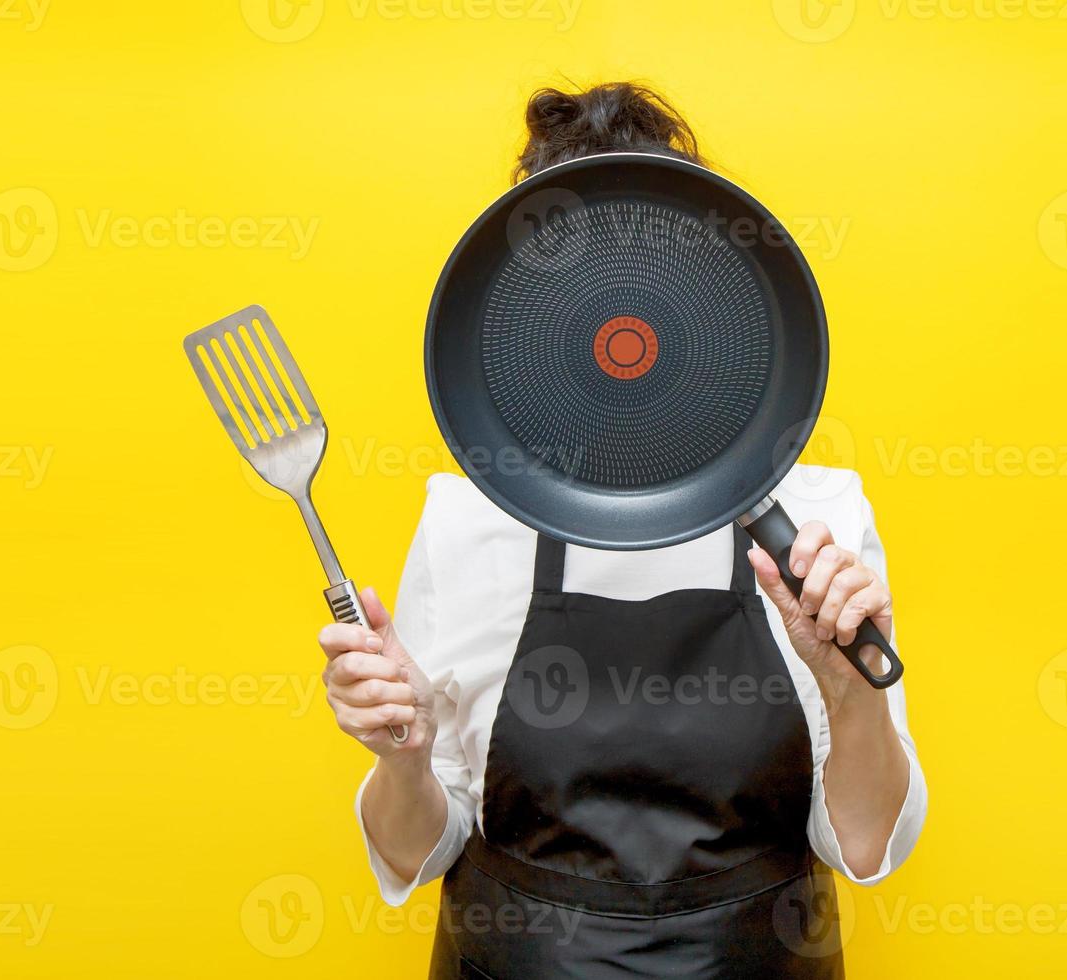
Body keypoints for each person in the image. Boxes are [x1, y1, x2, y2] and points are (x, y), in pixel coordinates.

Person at [317, 81, 926, 979]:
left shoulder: (818, 522)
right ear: (522, 312)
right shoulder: (464, 519)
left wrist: (852, 691)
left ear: (710, 289)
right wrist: (403, 760)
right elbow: (417, 853)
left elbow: (867, 848)